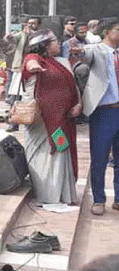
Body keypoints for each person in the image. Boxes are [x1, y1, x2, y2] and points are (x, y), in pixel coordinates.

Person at [21, 30, 81, 204]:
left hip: (63, 119)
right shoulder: (33, 58)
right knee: (48, 155)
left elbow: (73, 86)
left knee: (62, 152)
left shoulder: (61, 62)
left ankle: (63, 195)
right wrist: (34, 66)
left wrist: (77, 104)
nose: (59, 43)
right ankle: (48, 195)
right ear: (45, 45)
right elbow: (30, 63)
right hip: (43, 121)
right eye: (55, 41)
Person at [71, 18, 119, 216]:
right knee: (99, 157)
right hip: (104, 110)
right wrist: (79, 52)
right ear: (107, 32)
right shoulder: (97, 50)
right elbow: (86, 55)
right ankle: (98, 199)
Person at [4, 16, 41, 132]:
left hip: (34, 70)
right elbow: (13, 39)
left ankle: (32, 120)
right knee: (15, 96)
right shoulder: (22, 34)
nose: (30, 25)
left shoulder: (41, 37)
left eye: (33, 24)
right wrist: (9, 37)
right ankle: (14, 122)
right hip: (20, 69)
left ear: (38, 25)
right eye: (29, 23)